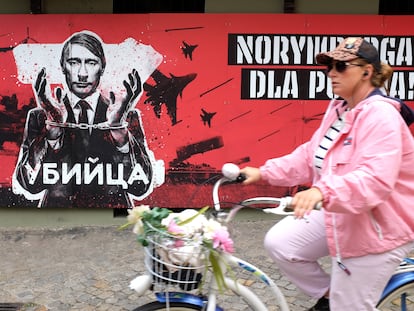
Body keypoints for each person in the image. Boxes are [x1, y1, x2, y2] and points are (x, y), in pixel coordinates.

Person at [240, 37, 414, 310]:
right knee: (282, 244)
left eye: (341, 66)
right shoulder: (340, 109)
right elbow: (311, 156)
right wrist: (263, 173)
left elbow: (374, 181)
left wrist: (321, 191)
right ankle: (328, 297)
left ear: (367, 72)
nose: (332, 72)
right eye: (329, 66)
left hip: (376, 227)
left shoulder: (382, 117)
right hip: (343, 211)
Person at [13, 31, 159, 208]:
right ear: (62, 67)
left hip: (114, 217)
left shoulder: (126, 117)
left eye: (91, 63)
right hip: (57, 217)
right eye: (74, 62)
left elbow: (140, 186)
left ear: (102, 67)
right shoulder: (40, 117)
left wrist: (118, 130)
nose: (82, 74)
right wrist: (53, 129)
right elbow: (30, 184)